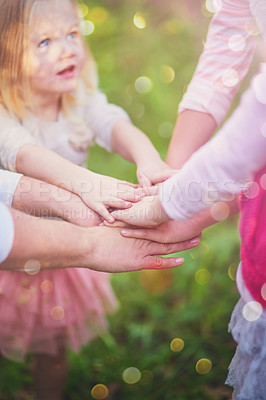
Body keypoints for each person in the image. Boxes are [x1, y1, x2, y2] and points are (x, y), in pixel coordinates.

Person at [0, 1, 177, 399]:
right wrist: (86, 183)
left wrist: (148, 158)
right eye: (44, 41)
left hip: (62, 250)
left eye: (72, 34)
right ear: (6, 56)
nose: (67, 49)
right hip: (14, 245)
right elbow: (25, 154)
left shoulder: (80, 100)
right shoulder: (6, 115)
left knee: (54, 342)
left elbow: (116, 125)